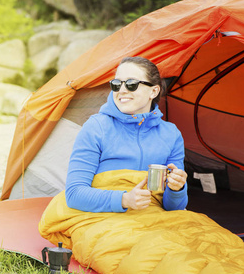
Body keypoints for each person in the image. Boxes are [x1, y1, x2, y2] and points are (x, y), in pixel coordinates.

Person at [65, 56, 188, 213]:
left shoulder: (171, 134)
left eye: (131, 84)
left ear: (154, 91)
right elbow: (74, 194)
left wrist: (178, 189)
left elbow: (174, 207)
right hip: (102, 217)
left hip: (154, 218)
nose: (122, 90)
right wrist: (124, 200)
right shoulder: (96, 128)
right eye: (116, 84)